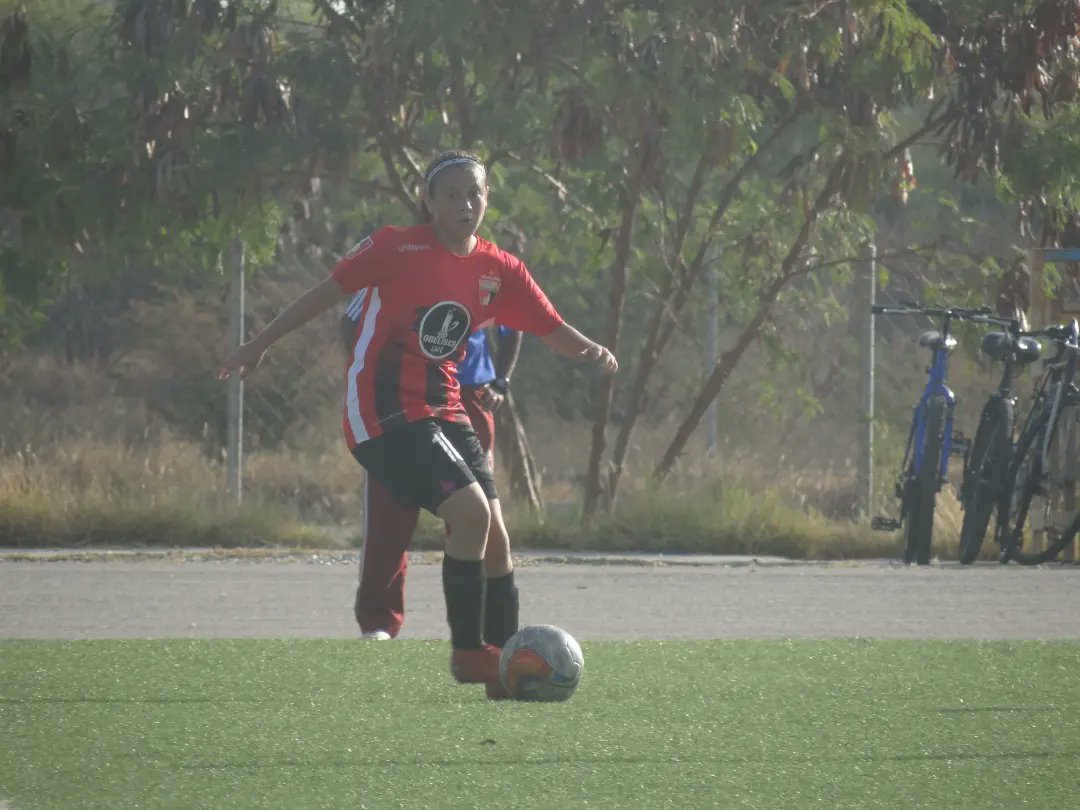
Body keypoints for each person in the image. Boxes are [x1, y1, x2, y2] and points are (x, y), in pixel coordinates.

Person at [220, 149, 617, 698]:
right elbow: (323, 296)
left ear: (487, 200)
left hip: (446, 407)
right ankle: (465, 654)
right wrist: (257, 344)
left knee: (497, 542)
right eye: (451, 194)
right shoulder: (395, 248)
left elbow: (549, 326)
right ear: (429, 201)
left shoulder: (498, 269)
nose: (465, 203)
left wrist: (593, 351)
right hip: (381, 409)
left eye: (474, 193)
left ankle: (502, 666)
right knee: (468, 514)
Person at [341, 296, 521, 640]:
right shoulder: (394, 254)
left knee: (477, 516)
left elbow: (514, 324)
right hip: (403, 400)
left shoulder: (486, 267)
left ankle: (478, 628)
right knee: (389, 510)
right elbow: (350, 320)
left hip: (469, 398)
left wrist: (501, 381)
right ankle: (379, 622)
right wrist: (369, 378)